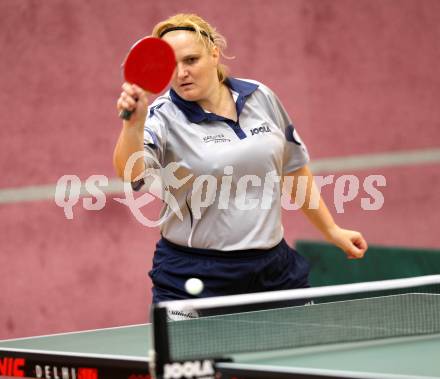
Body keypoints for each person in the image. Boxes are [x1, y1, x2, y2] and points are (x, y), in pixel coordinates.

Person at [113, 13, 368, 304]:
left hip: (273, 268)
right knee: (195, 353)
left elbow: (293, 167)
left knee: (299, 348)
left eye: (191, 60)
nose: (181, 73)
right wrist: (132, 126)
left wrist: (331, 229)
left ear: (214, 53)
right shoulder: (162, 116)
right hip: (195, 273)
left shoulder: (260, 96)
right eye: (173, 65)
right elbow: (130, 172)